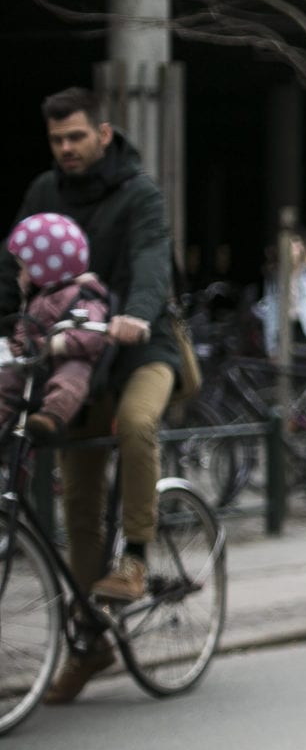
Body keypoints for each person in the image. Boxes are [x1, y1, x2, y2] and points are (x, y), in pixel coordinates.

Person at [0, 88, 178, 704]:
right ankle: (88, 640)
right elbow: (14, 260)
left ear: (103, 133)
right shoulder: (44, 193)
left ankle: (134, 556)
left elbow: (153, 259)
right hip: (73, 361)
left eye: (76, 136)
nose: (67, 149)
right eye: (56, 140)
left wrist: (137, 315)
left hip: (137, 352)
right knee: (76, 500)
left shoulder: (139, 192)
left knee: (135, 423)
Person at [2, 214, 111, 440]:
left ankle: (52, 416)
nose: (20, 275)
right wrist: (18, 346)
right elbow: (25, 326)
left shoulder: (85, 295)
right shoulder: (37, 300)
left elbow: (91, 334)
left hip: (63, 358)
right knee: (7, 378)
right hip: (35, 362)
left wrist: (54, 344)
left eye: (24, 268)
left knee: (73, 375)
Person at [256, 228, 306, 356]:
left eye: (296, 242)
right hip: (284, 328)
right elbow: (271, 311)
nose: (293, 248)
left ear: (303, 246)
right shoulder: (275, 275)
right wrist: (271, 347)